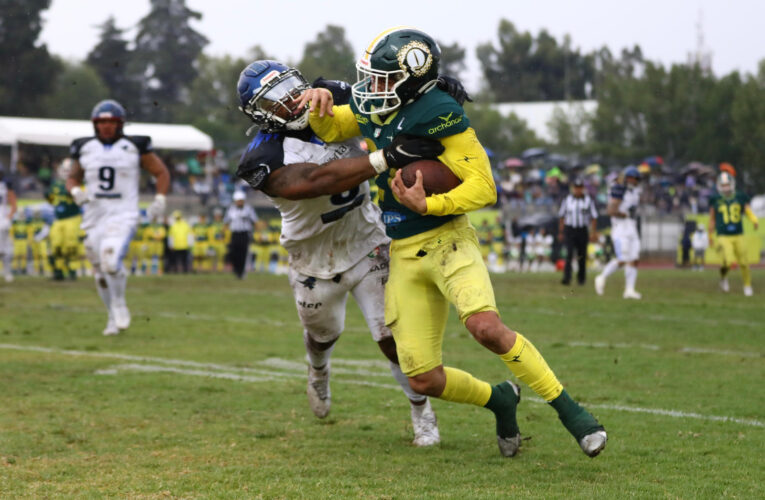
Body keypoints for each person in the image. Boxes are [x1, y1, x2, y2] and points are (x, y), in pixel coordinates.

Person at [285, 28, 606, 457]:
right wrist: (322, 108)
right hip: (402, 251)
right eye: (371, 77)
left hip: (449, 239)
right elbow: (332, 129)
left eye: (382, 79)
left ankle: (572, 414)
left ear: (413, 79)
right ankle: (500, 399)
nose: (370, 88)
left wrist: (431, 203)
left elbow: (485, 188)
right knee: (422, 379)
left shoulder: (440, 111)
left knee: (485, 327)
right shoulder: (375, 104)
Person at [235, 59, 452, 446]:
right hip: (313, 260)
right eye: (274, 101)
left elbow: (389, 98)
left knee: (391, 336)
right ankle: (317, 369)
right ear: (260, 115)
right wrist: (385, 158)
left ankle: (422, 413)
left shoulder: (330, 95)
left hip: (368, 239)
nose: (289, 102)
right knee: (323, 336)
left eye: (290, 88)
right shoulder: (262, 157)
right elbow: (314, 182)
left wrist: (429, 91)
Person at [67, 99, 170, 336]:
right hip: (94, 214)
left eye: (111, 121)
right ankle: (112, 317)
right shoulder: (84, 147)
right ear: (95, 124)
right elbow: (72, 177)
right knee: (99, 270)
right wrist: (75, 191)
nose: (106, 126)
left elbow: (160, 171)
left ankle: (120, 303)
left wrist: (160, 199)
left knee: (110, 262)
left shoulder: (135, 145)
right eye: (102, 122)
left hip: (123, 212)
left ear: (120, 123)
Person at [594, 166, 642, 299]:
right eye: (632, 178)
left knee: (634, 258)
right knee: (623, 259)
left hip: (631, 226)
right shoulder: (619, 190)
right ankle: (601, 277)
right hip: (620, 228)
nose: (634, 181)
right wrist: (624, 214)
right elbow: (610, 211)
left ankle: (629, 290)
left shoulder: (635, 191)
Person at [708, 172, 759, 295]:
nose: (725, 187)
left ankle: (747, 286)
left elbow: (747, 210)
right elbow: (712, 219)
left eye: (727, 184)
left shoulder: (740, 196)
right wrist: (710, 235)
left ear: (732, 185)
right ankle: (723, 278)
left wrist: (754, 220)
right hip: (723, 235)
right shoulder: (715, 199)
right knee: (729, 262)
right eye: (723, 185)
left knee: (744, 263)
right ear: (719, 186)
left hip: (738, 234)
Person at [45, 159, 82, 280]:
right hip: (58, 219)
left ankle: (72, 271)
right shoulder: (56, 184)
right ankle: (58, 270)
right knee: (56, 245)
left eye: (68, 170)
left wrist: (73, 193)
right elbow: (51, 200)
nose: (66, 172)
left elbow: (82, 199)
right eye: (64, 170)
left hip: (72, 218)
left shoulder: (79, 183)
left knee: (70, 245)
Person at [558, 178, 598, 285]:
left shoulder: (588, 200)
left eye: (580, 188)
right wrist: (561, 232)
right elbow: (562, 216)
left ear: (583, 188)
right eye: (576, 188)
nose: (578, 190)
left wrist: (593, 232)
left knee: (582, 255)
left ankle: (581, 279)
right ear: (573, 188)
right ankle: (567, 277)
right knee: (569, 254)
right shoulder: (567, 200)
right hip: (570, 229)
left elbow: (594, 217)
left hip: (582, 230)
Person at [223, 190, 257, 279]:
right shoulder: (231, 209)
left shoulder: (249, 209)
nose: (240, 202)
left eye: (241, 200)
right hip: (234, 234)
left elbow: (255, 221)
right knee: (234, 253)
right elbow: (226, 221)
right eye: (238, 200)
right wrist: (223, 232)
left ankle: (241, 272)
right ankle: (236, 270)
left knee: (243, 253)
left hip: (244, 234)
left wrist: (257, 232)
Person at [0, 170, 16, 282]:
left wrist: (8, 218)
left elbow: (14, 205)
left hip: (2, 219)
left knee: (4, 248)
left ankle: (7, 271)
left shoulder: (5, 186)